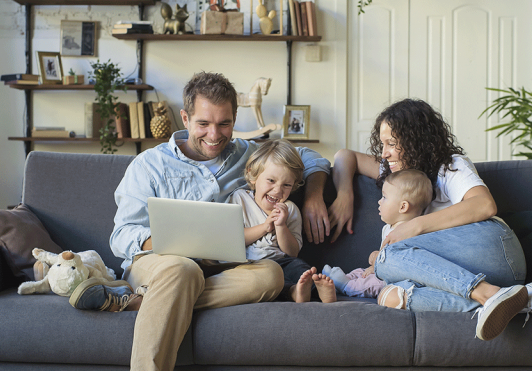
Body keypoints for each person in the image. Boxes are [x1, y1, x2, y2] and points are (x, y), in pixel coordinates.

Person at [68, 71, 331, 371]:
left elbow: (310, 158)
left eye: (225, 124)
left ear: (234, 118)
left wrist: (313, 197)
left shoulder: (247, 155)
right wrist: (176, 242)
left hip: (222, 268)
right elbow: (122, 235)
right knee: (183, 268)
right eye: (203, 124)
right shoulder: (150, 164)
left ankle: (145, 301)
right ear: (185, 118)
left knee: (270, 274)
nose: (215, 135)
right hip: (160, 264)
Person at [327, 98, 532, 341]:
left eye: (392, 143)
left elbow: (484, 205)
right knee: (390, 294)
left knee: (387, 256)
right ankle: (523, 299)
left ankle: (485, 293)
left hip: (496, 250)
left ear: (415, 142)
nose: (385, 152)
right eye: (382, 144)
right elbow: (346, 156)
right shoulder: (396, 173)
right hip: (481, 275)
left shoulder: (449, 166)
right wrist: (345, 195)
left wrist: (414, 227)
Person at [229, 139, 336, 303]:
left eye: (286, 184)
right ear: (253, 176)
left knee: (301, 269)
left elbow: (292, 251)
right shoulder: (240, 199)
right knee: (264, 279)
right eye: (271, 181)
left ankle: (316, 292)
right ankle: (293, 292)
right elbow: (235, 239)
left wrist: (281, 226)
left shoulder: (290, 209)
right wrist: (265, 227)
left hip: (282, 261)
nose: (277, 190)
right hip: (249, 264)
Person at [323, 169, 432, 299]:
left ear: (403, 207)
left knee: (373, 283)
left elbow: (397, 265)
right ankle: (340, 279)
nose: (379, 201)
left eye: (384, 197)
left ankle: (347, 286)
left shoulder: (408, 233)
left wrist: (376, 262)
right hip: (380, 270)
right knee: (360, 272)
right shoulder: (388, 227)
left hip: (392, 280)